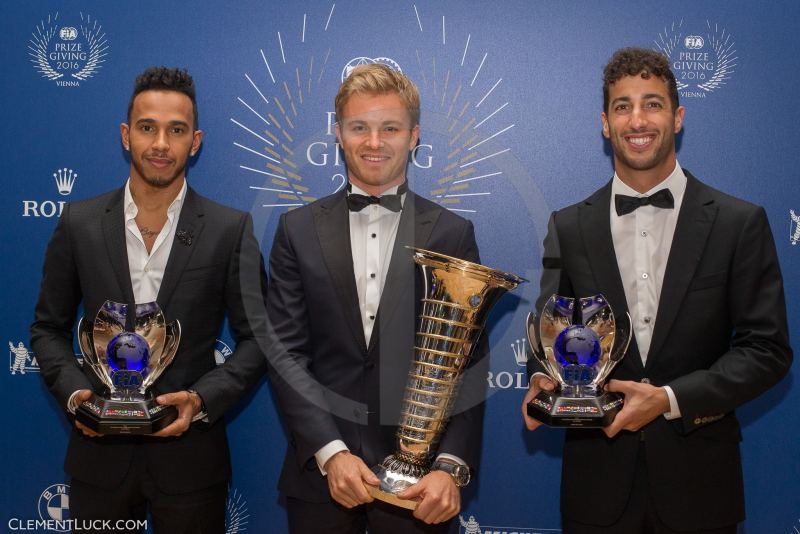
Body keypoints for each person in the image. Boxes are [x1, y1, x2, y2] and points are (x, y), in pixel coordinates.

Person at [522, 47, 792, 533]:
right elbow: (552, 333)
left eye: (652, 103)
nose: (637, 119)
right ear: (606, 123)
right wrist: (543, 381)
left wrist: (669, 398)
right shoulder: (568, 226)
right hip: (597, 494)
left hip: (701, 490)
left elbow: (766, 350)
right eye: (622, 106)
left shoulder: (738, 223)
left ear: (678, 116)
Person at [30, 67, 269, 533]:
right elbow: (47, 328)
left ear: (194, 141)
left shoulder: (229, 229)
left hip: (191, 463)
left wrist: (200, 400)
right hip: (97, 458)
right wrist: (78, 395)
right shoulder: (78, 223)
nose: (161, 143)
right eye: (148, 128)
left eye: (176, 130)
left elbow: (260, 339)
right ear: (126, 135)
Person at [266, 63, 486, 533]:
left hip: (419, 486)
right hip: (319, 476)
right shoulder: (295, 231)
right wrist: (332, 452)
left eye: (390, 128)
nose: (374, 142)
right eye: (359, 127)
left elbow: (465, 363)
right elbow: (286, 355)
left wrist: (449, 466)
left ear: (414, 136)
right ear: (338, 134)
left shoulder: (452, 233)